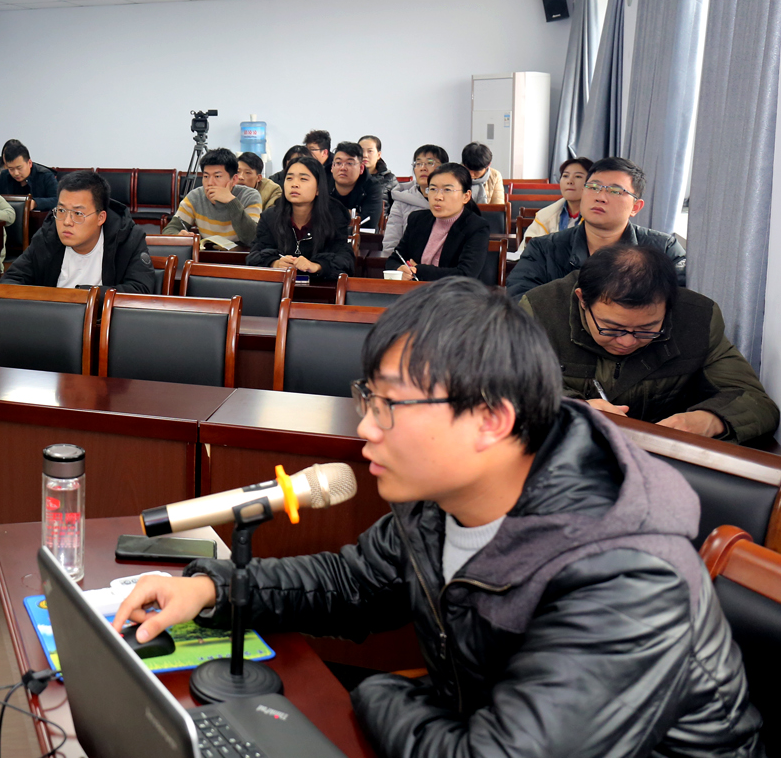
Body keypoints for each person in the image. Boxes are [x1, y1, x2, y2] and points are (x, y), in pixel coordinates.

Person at [113, 278, 763, 758]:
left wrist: (382, 693)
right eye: (367, 397)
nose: (365, 429)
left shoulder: (625, 576)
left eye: (390, 405)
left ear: (491, 419)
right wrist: (211, 589)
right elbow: (352, 582)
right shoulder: (448, 493)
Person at [521, 243, 778, 444]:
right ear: (582, 299)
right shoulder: (539, 312)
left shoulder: (698, 318)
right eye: (611, 327)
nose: (627, 341)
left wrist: (709, 420)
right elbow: (510, 389)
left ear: (669, 306)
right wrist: (571, 408)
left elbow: (755, 401)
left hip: (663, 458)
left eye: (646, 329)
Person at [507, 157, 686, 299]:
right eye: (593, 187)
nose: (600, 197)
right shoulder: (543, 249)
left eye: (615, 191)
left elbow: (682, 305)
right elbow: (520, 300)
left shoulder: (665, 249)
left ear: (635, 207)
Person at [1, 170, 157, 293]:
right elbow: (11, 280)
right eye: (61, 210)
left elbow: (141, 289)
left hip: (102, 321)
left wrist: (82, 296)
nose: (67, 222)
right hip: (52, 318)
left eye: (78, 213)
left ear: (100, 217)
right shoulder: (48, 235)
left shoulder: (128, 238)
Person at [245, 156, 353, 279]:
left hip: (319, 287)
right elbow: (254, 256)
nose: (294, 184)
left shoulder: (335, 217)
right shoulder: (270, 217)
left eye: (303, 179)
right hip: (279, 286)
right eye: (289, 178)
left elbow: (346, 260)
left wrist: (317, 266)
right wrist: (275, 263)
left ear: (318, 188)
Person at [394, 163, 491, 284]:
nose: (438, 197)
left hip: (454, 294)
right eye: (433, 189)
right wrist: (401, 270)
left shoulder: (476, 227)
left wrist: (419, 270)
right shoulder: (417, 219)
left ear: (466, 196)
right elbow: (395, 259)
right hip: (414, 292)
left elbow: (465, 275)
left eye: (447, 190)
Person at [162, 148, 262, 246]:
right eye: (206, 176)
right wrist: (178, 235)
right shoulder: (196, 196)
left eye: (217, 176)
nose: (210, 183)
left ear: (234, 179)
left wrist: (231, 201)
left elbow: (252, 238)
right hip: (207, 253)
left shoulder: (250, 196)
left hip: (241, 254)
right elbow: (170, 229)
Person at [382, 145, 447, 256]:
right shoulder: (402, 200)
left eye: (430, 163)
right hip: (407, 263)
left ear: (444, 168)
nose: (423, 168)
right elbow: (391, 243)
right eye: (418, 163)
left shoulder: (452, 200)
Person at [523, 156, 591, 240]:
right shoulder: (544, 216)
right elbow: (527, 246)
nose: (569, 181)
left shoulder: (599, 217)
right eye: (565, 176)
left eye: (578, 176)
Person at [329, 141, 385, 230]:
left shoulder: (372, 186)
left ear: (361, 168)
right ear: (332, 167)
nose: (343, 168)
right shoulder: (321, 182)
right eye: (338, 163)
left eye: (349, 163)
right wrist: (351, 216)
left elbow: (368, 223)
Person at [0, 139, 58, 212]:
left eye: (19, 168)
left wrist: (35, 203)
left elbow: (57, 200)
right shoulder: (4, 175)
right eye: (11, 169)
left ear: (29, 163)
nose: (16, 173)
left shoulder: (45, 175)